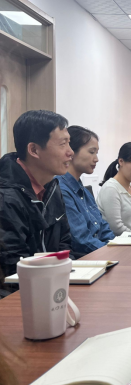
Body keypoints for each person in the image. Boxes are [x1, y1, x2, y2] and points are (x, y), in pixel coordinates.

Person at [0, 110, 73, 278]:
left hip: (50, 283)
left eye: (69, 143)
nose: (70, 152)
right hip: (21, 289)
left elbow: (65, 243)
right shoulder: (5, 197)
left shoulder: (52, 186)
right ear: (34, 150)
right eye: (63, 144)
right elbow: (12, 268)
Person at [57, 126, 115, 257]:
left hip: (100, 254)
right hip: (85, 259)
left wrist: (116, 246)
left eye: (96, 153)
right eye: (91, 152)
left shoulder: (84, 191)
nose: (96, 159)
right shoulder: (61, 189)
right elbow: (82, 241)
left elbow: (104, 228)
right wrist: (113, 252)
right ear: (71, 151)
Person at [97, 143, 131, 236]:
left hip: (130, 239)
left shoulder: (130, 188)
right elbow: (116, 228)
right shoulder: (111, 189)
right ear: (121, 161)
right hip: (117, 241)